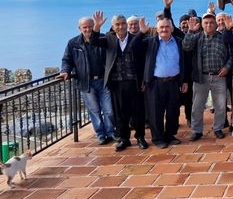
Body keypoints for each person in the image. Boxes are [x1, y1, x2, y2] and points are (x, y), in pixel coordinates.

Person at [91, 12, 149, 151]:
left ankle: (140, 137)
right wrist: (96, 27)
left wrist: (144, 80)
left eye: (123, 24)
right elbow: (93, 41)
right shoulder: (109, 39)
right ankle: (124, 139)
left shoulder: (137, 38)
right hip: (116, 83)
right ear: (113, 26)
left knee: (138, 113)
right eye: (117, 24)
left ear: (127, 25)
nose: (121, 26)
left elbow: (145, 61)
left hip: (134, 82)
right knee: (120, 114)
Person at [59, 15, 116, 145]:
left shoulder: (102, 39)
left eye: (90, 26)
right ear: (80, 28)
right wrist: (65, 71)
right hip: (86, 83)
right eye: (85, 27)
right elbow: (67, 60)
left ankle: (110, 132)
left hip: (104, 81)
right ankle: (101, 134)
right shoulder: (73, 43)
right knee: (94, 111)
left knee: (109, 109)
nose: (88, 29)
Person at [183, 12, 231, 141]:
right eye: (206, 22)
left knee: (220, 106)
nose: (209, 25)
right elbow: (186, 47)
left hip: (219, 77)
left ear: (216, 24)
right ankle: (197, 130)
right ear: (202, 24)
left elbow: (232, 55)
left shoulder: (223, 38)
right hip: (201, 78)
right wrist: (190, 31)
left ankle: (218, 128)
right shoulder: (196, 37)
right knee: (197, 106)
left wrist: (227, 67)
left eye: (211, 22)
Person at [142, 18, 188, 148]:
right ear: (157, 29)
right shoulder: (150, 42)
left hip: (173, 82)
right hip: (155, 83)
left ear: (172, 28)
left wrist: (184, 80)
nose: (164, 29)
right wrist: (142, 33)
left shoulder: (179, 42)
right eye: (161, 27)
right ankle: (158, 138)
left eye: (167, 27)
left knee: (173, 111)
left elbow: (183, 62)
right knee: (156, 112)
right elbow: (134, 47)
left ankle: (170, 135)